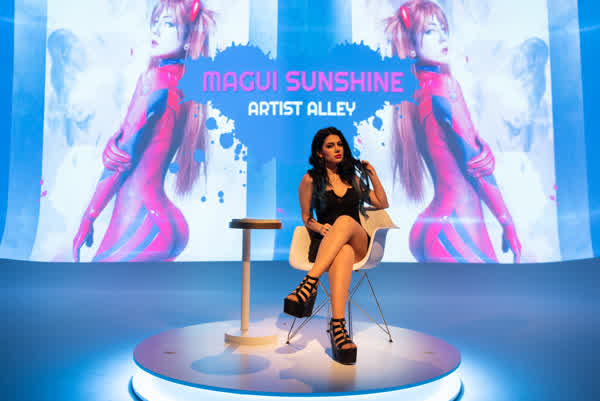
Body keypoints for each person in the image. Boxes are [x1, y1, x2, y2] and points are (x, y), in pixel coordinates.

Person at [72, 0, 214, 262]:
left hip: (139, 221)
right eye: (155, 21)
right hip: (166, 223)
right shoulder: (187, 85)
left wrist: (88, 217)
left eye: (168, 24)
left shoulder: (154, 81)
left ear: (187, 38)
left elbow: (121, 160)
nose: (156, 30)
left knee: (96, 286)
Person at [386, 0, 521, 263]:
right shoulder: (444, 88)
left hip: (432, 227)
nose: (442, 37)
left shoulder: (414, 93)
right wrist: (507, 222)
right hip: (457, 228)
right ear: (411, 47)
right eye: (430, 31)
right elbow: (476, 166)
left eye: (443, 29)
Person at [283, 127, 389, 364]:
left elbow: (382, 203)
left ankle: (309, 283)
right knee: (343, 250)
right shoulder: (310, 180)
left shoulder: (352, 179)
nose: (337, 149)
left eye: (339, 144)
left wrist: (372, 175)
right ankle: (338, 328)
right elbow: (306, 218)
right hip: (327, 245)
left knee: (345, 221)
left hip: (359, 242)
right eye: (330, 146)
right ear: (319, 153)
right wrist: (319, 227)